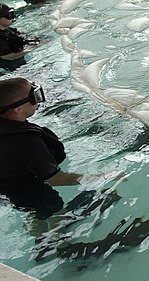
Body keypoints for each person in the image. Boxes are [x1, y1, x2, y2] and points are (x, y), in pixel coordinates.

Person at [0, 78, 86, 219]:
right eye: (34, 97)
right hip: (22, 186)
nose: (39, 101)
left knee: (33, 209)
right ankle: (55, 239)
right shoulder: (27, 141)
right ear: (18, 109)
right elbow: (55, 179)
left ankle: (38, 230)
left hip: (6, 185)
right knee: (52, 205)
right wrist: (99, 178)